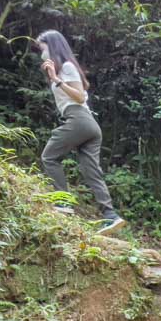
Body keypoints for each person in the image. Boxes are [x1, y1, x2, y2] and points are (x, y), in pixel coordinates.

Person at [34, 30, 125, 235]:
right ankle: (111, 216)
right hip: (87, 124)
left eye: (43, 48)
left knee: (49, 157)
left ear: (52, 47)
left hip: (79, 119)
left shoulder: (66, 67)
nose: (42, 54)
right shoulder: (62, 68)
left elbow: (80, 97)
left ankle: (63, 202)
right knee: (91, 171)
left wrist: (56, 80)